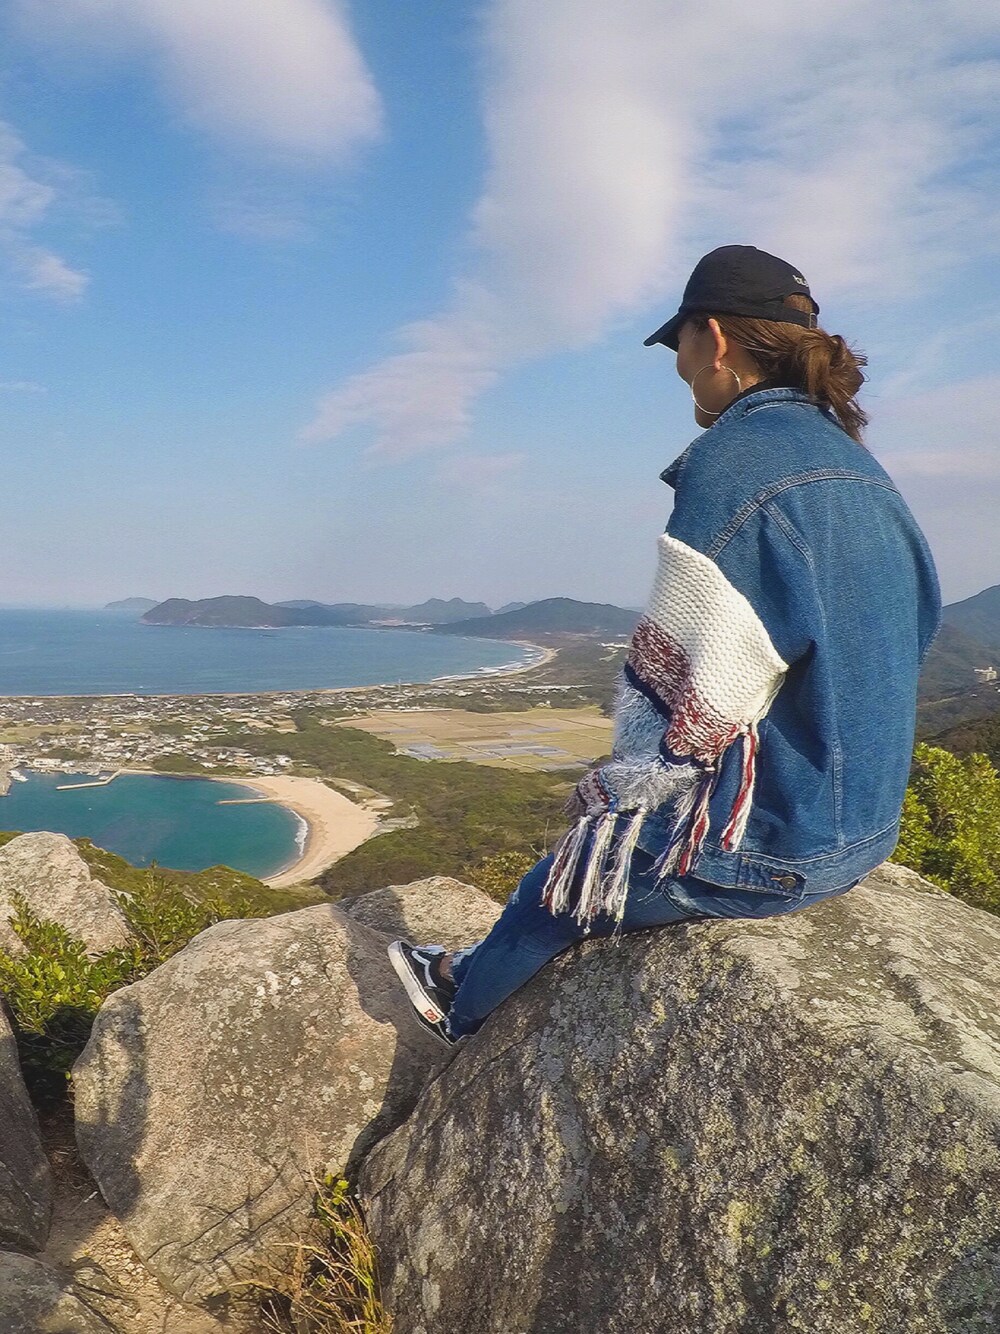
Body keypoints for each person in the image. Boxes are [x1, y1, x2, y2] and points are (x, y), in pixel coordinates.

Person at [388, 244, 942, 1046]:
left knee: (559, 885)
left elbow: (690, 693)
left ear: (712, 338)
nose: (678, 364)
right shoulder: (860, 467)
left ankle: (457, 1002)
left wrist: (621, 799)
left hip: (776, 847)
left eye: (677, 343)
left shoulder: (735, 459)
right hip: (863, 828)